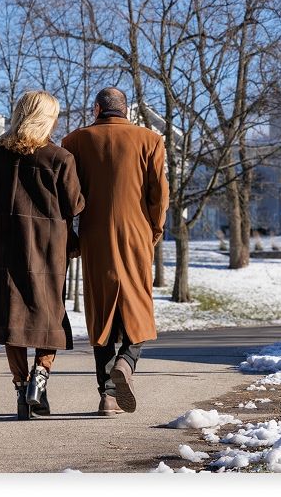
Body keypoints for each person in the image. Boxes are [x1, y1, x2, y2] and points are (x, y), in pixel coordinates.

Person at [0, 91, 84, 420]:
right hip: (48, 251)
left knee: (13, 321)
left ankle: (22, 391)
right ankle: (40, 377)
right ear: (46, 119)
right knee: (48, 318)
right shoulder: (60, 159)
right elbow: (75, 204)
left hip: (5, 252)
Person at [62, 87, 169, 416]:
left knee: (101, 311)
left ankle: (107, 396)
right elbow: (159, 194)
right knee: (139, 306)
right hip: (137, 233)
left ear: (97, 109)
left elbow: (67, 197)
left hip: (95, 236)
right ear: (126, 110)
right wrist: (154, 230)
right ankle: (127, 361)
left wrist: (73, 237)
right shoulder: (150, 140)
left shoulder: (74, 142)